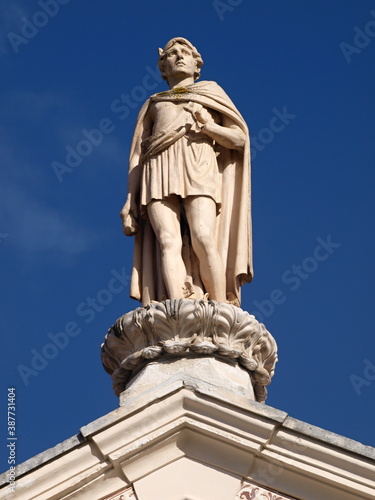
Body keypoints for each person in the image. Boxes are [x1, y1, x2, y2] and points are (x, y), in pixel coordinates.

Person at [120, 37, 253, 306]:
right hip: (158, 167)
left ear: (197, 65)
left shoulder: (211, 93)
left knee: (203, 235)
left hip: (198, 162)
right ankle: (177, 305)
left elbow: (239, 140)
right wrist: (129, 201)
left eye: (185, 53)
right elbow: (137, 156)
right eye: (171, 54)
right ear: (163, 68)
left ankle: (218, 306)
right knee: (168, 241)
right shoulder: (154, 103)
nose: (179, 56)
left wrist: (208, 127)